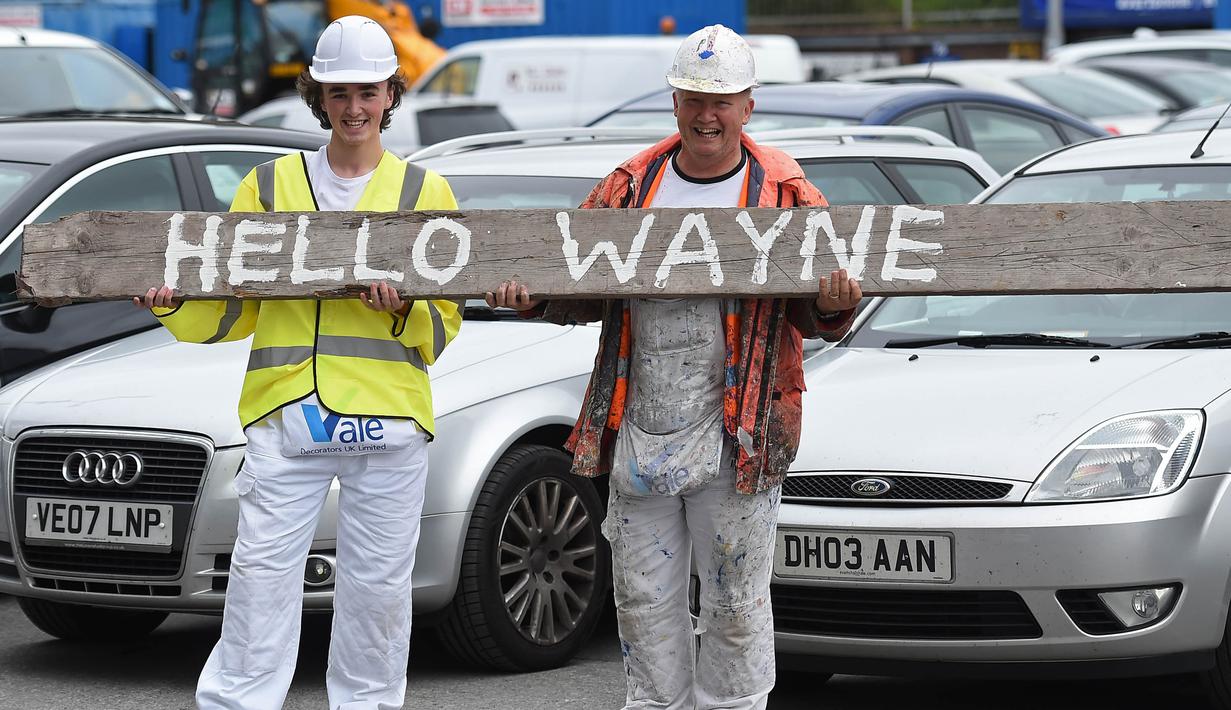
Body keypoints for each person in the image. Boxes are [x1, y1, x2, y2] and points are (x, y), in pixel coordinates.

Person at [486, 24, 862, 710]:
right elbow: (582, 288)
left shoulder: (784, 191)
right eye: (693, 98)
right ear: (674, 101)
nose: (706, 115)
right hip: (641, 428)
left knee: (735, 604)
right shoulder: (631, 186)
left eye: (721, 101)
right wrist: (533, 298)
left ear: (748, 106)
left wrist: (833, 307)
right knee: (642, 600)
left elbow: (813, 314)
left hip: (739, 434)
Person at [134, 15, 461, 710]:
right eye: (339, 93)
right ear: (317, 94)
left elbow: (445, 324)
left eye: (368, 92)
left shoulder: (424, 193)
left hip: (387, 422)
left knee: (375, 589)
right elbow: (235, 309)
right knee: (259, 579)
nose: (354, 108)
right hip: (287, 414)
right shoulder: (269, 185)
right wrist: (171, 304)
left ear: (390, 95)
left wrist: (402, 311)